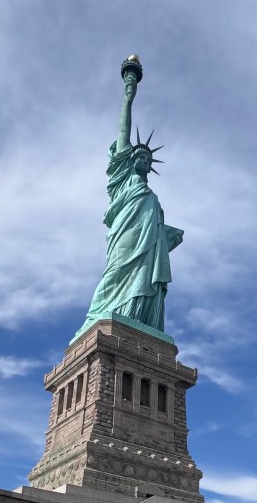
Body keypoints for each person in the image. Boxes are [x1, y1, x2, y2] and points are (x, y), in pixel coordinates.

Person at [76, 60, 184, 338]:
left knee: (146, 282)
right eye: (137, 155)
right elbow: (123, 133)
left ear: (150, 165)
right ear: (129, 161)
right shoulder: (121, 183)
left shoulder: (152, 198)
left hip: (147, 248)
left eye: (146, 157)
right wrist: (128, 95)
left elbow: (160, 233)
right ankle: (100, 321)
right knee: (113, 277)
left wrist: (166, 235)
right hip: (124, 242)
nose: (142, 158)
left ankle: (142, 329)